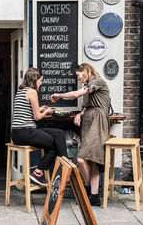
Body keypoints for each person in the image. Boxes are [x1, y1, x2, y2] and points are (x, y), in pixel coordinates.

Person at [51, 63, 110, 206]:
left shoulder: (97, 81)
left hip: (97, 122)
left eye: (79, 75)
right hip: (89, 121)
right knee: (92, 159)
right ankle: (94, 196)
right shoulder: (90, 84)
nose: (78, 78)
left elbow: (77, 94)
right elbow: (87, 106)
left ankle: (87, 188)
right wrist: (80, 114)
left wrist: (60, 95)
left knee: (82, 158)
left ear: (85, 71)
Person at [11, 67, 68, 186]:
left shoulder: (21, 91)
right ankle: (39, 173)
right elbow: (37, 117)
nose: (41, 83)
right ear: (35, 79)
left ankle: (65, 164)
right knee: (55, 144)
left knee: (59, 134)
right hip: (25, 131)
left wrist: (41, 108)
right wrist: (47, 112)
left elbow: (28, 111)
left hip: (18, 132)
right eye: (40, 80)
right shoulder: (32, 92)